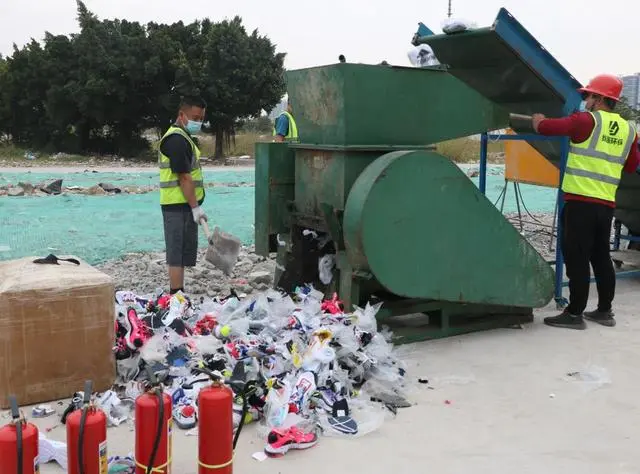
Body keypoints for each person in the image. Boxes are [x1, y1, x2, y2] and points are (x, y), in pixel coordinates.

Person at [532, 74, 639, 330]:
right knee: (600, 256)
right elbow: (632, 165)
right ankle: (604, 311)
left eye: (588, 96)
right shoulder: (629, 130)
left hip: (580, 202)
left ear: (601, 98)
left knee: (576, 257)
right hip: (606, 205)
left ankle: (574, 313)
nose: (586, 100)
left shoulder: (585, 121)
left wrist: (538, 122)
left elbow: (548, 128)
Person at [158, 96, 208, 295]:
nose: (199, 122)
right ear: (181, 115)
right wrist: (195, 207)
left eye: (202, 118)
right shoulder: (176, 140)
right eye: (195, 117)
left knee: (184, 253)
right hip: (176, 206)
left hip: (184, 204)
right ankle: (176, 295)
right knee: (176, 254)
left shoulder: (184, 137)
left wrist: (194, 206)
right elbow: (184, 177)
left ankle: (180, 294)